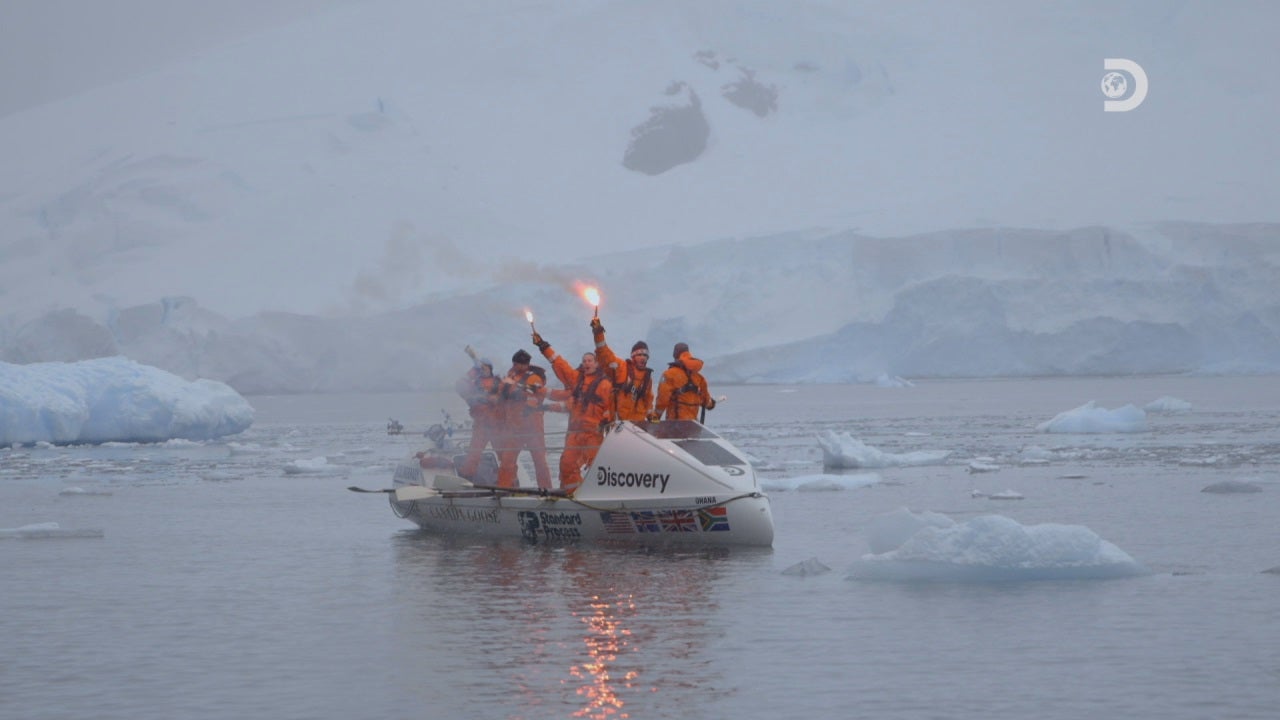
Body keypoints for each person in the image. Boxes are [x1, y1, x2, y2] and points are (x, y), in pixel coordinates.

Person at [532, 330, 615, 492]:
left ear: (596, 364)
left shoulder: (605, 385)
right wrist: (544, 346)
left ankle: (598, 495)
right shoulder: (577, 379)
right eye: (585, 361)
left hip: (593, 433)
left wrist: (607, 419)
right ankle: (573, 495)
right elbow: (560, 364)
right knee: (567, 464)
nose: (587, 363)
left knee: (596, 467)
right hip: (575, 433)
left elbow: (610, 407)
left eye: (590, 360)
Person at [496, 349, 553, 490]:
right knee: (507, 460)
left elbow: (536, 396)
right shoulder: (511, 375)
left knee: (539, 461)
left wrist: (525, 401)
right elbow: (501, 393)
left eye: (518, 364)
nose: (515, 366)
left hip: (532, 427)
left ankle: (547, 490)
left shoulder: (534, 378)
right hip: (514, 427)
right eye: (514, 363)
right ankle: (504, 489)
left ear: (525, 364)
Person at [589, 317, 654, 423]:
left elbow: (648, 401)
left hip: (639, 426)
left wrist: (653, 418)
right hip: (620, 425)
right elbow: (604, 353)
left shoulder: (647, 378)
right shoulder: (622, 368)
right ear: (633, 357)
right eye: (639, 355)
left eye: (645, 355)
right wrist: (598, 332)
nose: (643, 357)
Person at [454, 356, 502, 480]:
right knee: (474, 453)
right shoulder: (474, 383)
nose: (483, 370)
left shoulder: (498, 382)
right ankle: (467, 478)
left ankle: (507, 480)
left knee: (504, 453)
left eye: (485, 367)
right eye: (481, 368)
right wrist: (473, 371)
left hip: (497, 425)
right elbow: (459, 386)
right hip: (481, 425)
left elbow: (508, 397)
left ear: (491, 369)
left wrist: (496, 399)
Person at [651, 342, 716, 422]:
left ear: (675, 355)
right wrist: (711, 403)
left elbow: (663, 400)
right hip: (693, 426)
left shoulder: (669, 374)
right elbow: (706, 401)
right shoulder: (699, 378)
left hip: (675, 425)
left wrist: (655, 418)